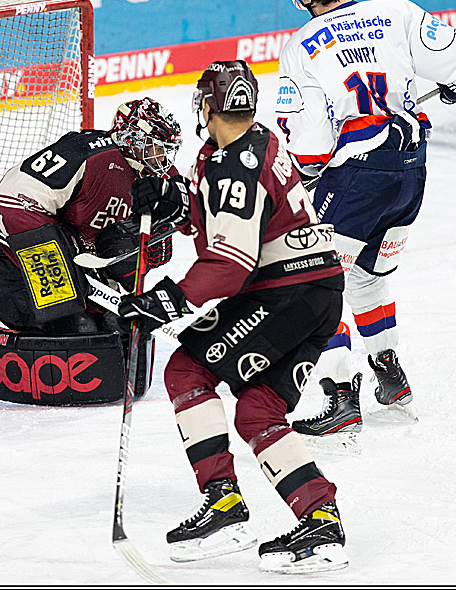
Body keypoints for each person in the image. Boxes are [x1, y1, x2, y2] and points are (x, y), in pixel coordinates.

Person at [117, 60, 350, 574]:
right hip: (314, 292)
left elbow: (230, 263)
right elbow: (223, 221)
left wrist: (167, 301)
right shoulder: (250, 143)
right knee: (257, 411)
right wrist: (175, 201)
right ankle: (322, 521)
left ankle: (224, 505)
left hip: (283, 292)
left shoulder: (232, 165)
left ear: (207, 105)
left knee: (185, 370)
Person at [276, 0, 456, 436]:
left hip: (357, 174)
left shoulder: (301, 45)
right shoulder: (398, 13)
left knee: (317, 279)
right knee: (367, 275)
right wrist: (453, 81)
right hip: (411, 168)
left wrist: (308, 179)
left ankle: (340, 395)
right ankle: (391, 379)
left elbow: (309, 148)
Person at [0, 97, 181, 336]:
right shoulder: (85, 153)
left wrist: (142, 251)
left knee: (120, 331)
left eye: (165, 151)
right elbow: (15, 195)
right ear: (132, 140)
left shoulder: (162, 178)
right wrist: (57, 255)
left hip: (87, 273)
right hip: (19, 270)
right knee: (79, 330)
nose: (162, 159)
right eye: (155, 148)